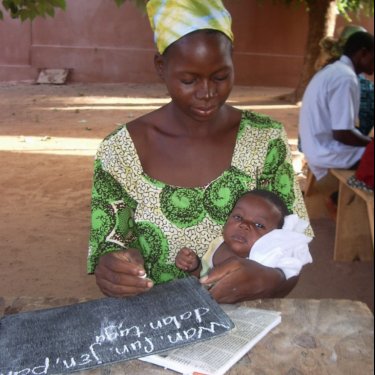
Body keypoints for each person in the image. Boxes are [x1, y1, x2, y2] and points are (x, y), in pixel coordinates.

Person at [88, 0, 312, 304]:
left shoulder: (264, 141)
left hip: (243, 318)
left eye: (220, 77)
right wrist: (113, 271)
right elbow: (111, 248)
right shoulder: (120, 151)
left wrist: (269, 278)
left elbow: (292, 249)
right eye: (189, 80)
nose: (207, 92)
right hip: (155, 319)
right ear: (160, 67)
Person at [175, 189, 312, 280]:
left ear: (274, 237)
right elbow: (202, 278)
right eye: (238, 217)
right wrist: (194, 266)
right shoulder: (217, 245)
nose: (244, 225)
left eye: (259, 225)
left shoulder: (264, 262)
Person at [299, 31, 373, 182]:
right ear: (363, 53)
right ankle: (337, 199)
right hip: (327, 153)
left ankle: (337, 198)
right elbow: (342, 133)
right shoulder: (345, 78)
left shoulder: (334, 71)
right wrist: (370, 143)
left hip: (316, 148)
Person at [316, 25, 374, 137]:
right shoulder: (366, 88)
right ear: (363, 54)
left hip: (320, 150)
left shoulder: (323, 77)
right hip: (351, 149)